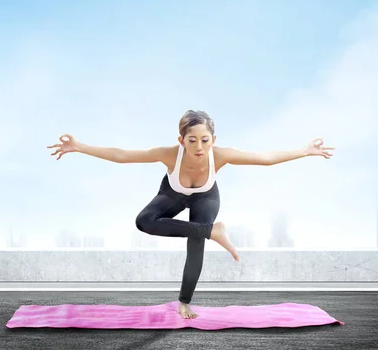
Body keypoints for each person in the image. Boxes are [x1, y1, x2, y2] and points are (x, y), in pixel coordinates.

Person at [47, 110, 334, 319]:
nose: (199, 147)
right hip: (173, 193)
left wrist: (304, 151)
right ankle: (213, 231)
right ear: (181, 139)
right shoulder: (170, 153)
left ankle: (184, 302)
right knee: (143, 221)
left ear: (213, 139)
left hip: (206, 196)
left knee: (195, 247)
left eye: (205, 140)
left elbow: (266, 159)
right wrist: (79, 147)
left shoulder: (220, 155)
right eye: (192, 140)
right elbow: (122, 155)